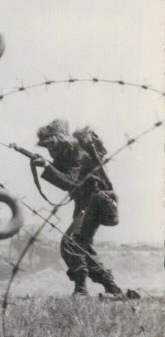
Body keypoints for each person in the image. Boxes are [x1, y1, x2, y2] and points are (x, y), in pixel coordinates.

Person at [32, 119, 133, 298]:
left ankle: (81, 290)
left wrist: (47, 167)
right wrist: (45, 164)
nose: (50, 150)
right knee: (81, 245)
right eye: (47, 147)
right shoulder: (68, 155)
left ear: (60, 140)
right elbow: (68, 177)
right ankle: (113, 289)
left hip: (95, 202)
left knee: (70, 242)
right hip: (87, 204)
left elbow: (69, 182)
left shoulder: (78, 154)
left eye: (51, 145)